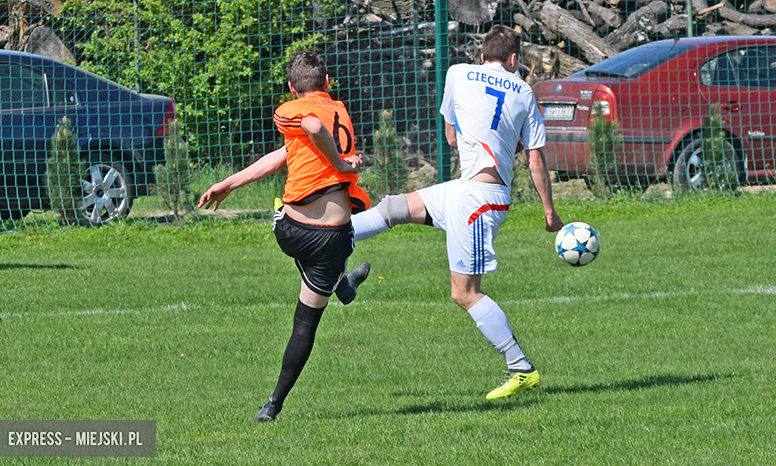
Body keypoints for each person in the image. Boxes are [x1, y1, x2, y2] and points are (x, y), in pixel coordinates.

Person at [352, 25, 564, 400]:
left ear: (483, 55)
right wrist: (550, 214)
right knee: (393, 208)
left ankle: (521, 368)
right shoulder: (525, 92)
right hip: (477, 192)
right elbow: (535, 158)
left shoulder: (457, 72)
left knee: (464, 293)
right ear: (514, 60)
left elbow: (451, 137)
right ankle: (327, 234)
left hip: (475, 197)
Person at [198, 51, 372, 422]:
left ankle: (341, 284)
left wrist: (228, 183)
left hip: (289, 231)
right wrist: (342, 165)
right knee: (305, 322)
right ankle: (272, 405)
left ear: (292, 88)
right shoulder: (336, 108)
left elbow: (297, 140)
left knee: (311, 260)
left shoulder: (291, 108)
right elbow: (305, 133)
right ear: (327, 84)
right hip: (330, 238)